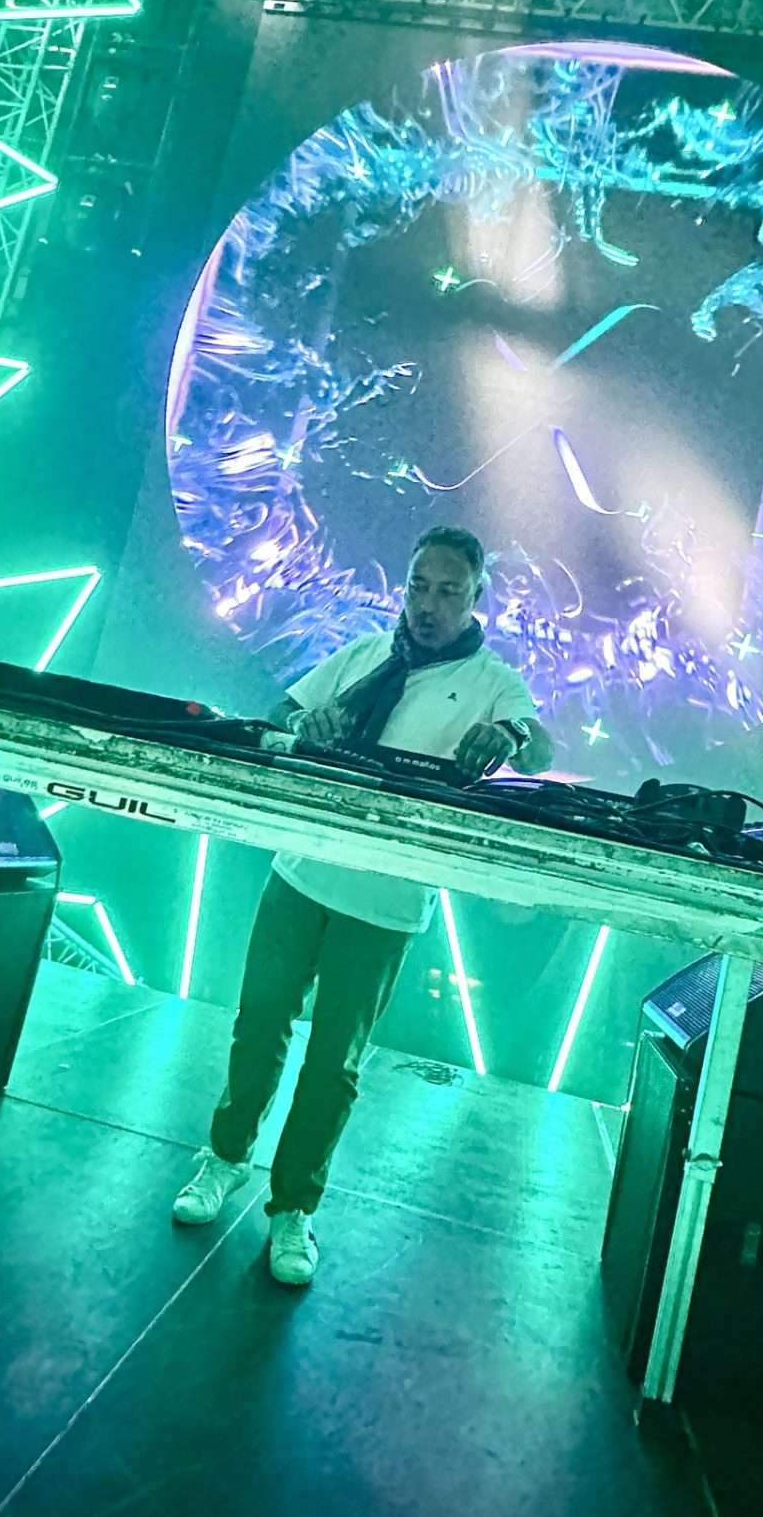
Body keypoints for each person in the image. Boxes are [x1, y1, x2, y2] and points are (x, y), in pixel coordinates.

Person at [172, 526, 554, 1286]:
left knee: (334, 1063)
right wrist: (301, 724)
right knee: (258, 1024)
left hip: (387, 897)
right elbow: (279, 712)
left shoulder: (493, 680)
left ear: (477, 597)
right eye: (419, 586)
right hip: (301, 870)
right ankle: (225, 1157)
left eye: (448, 591)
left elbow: (539, 744)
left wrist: (508, 734)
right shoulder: (364, 655)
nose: (428, 604)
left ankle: (294, 1206)